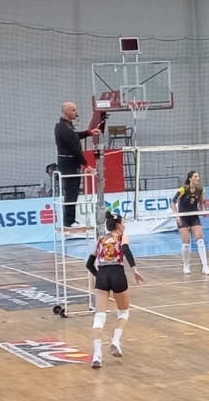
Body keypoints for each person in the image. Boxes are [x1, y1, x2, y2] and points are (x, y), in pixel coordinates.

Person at [85, 212, 144, 368]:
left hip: (102, 275)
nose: (124, 226)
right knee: (123, 311)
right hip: (117, 273)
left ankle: (97, 355)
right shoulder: (122, 237)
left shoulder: (100, 239)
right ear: (118, 225)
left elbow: (89, 264)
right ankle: (116, 340)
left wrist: (99, 277)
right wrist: (134, 269)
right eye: (123, 223)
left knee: (99, 316)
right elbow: (126, 250)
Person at [55, 102, 100, 228]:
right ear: (66, 112)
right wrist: (86, 164)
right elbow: (74, 148)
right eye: (73, 110)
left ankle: (70, 220)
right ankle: (69, 222)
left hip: (70, 163)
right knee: (71, 192)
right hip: (68, 164)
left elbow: (75, 137)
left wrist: (88, 132)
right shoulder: (64, 128)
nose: (76, 112)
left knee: (73, 192)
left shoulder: (67, 126)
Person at [172, 171, 209, 276]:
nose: (198, 178)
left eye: (198, 176)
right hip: (183, 218)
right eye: (195, 176)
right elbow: (173, 202)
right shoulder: (183, 189)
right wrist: (177, 215)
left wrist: (203, 210)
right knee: (186, 243)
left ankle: (205, 266)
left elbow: (201, 202)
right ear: (190, 179)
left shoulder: (200, 190)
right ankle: (186, 265)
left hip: (194, 217)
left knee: (200, 240)